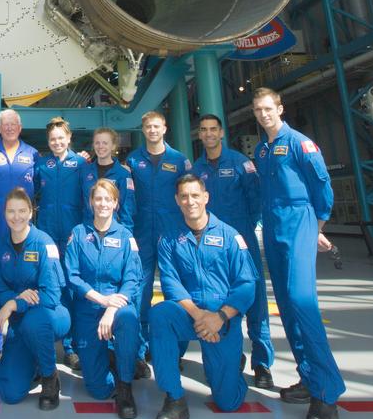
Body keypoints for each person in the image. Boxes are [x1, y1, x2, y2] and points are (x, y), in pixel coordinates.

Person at [252, 87, 346, 419]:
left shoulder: (299, 144)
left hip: (298, 224)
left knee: (302, 303)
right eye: (258, 110)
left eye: (268, 108)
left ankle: (327, 392)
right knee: (288, 307)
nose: (264, 115)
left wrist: (315, 227)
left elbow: (322, 189)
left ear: (280, 108)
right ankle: (307, 377)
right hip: (275, 227)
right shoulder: (262, 151)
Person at [150, 173, 257, 419]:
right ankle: (174, 399)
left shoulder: (230, 237)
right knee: (160, 314)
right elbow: (171, 283)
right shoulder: (169, 239)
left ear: (206, 197)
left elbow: (246, 285)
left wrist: (219, 317)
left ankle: (232, 367)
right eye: (184, 197)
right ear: (177, 200)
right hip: (190, 314)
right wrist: (199, 315)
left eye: (195, 195)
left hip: (223, 319)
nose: (190, 201)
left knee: (228, 401)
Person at [192, 114, 275, 389]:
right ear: (200, 135)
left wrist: (242, 232)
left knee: (255, 301)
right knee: (220, 300)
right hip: (211, 246)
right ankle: (233, 353)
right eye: (204, 130)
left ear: (221, 133)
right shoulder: (197, 169)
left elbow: (256, 201)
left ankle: (262, 363)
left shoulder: (241, 163)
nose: (208, 134)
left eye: (213, 129)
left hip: (242, 242)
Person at [64, 179, 142, 419]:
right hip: (88, 308)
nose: (102, 204)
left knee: (128, 319)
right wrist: (100, 300)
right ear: (90, 202)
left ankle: (125, 384)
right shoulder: (78, 234)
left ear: (116, 203)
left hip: (117, 308)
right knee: (98, 390)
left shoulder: (126, 236)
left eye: (108, 199)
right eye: (98, 198)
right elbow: (72, 276)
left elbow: (132, 279)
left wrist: (110, 308)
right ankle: (111, 357)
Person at [0, 188, 69, 409]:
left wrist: (15, 303)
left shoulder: (45, 243)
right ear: (4, 214)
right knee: (9, 392)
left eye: (22, 211)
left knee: (35, 322)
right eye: (11, 211)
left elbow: (51, 295)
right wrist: (16, 297)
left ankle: (50, 377)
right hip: (21, 323)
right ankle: (32, 362)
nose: (17, 216)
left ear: (31, 212)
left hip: (52, 315)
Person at [127, 111, 190, 366]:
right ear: (143, 130)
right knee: (140, 291)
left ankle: (175, 348)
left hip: (172, 233)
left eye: (157, 126)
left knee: (175, 289)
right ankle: (140, 351)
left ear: (164, 128)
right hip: (142, 232)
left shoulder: (179, 160)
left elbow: (188, 195)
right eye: (148, 127)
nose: (152, 130)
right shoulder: (133, 160)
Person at [0, 109, 38, 363]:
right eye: (5, 124)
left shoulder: (33, 154)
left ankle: (20, 340)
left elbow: (45, 184)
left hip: (23, 225)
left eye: (14, 124)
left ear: (20, 127)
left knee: (24, 277)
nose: (9, 128)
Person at [35, 117, 88, 371]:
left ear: (69, 139)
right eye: (52, 139)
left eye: (61, 138)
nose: (57, 142)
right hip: (46, 235)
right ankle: (45, 341)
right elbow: (30, 192)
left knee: (71, 288)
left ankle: (71, 347)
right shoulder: (41, 164)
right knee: (48, 285)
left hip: (71, 235)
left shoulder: (80, 164)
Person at [80, 127, 136, 232]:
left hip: (113, 231)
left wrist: (126, 234)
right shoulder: (84, 171)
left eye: (105, 143)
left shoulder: (123, 174)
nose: (101, 146)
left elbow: (127, 209)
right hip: (87, 229)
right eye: (97, 143)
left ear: (113, 146)